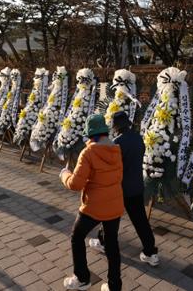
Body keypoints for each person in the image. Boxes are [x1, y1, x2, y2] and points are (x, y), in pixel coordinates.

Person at [60, 114, 124, 291]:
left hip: (94, 206)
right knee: (112, 245)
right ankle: (114, 286)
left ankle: (82, 278)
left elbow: (75, 184)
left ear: (90, 135)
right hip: (115, 204)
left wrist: (64, 174)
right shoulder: (116, 149)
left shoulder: (88, 153)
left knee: (77, 237)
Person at [88, 111, 159, 266]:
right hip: (137, 186)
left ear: (116, 127)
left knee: (110, 219)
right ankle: (150, 252)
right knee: (140, 221)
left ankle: (103, 242)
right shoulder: (139, 138)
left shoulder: (117, 142)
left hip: (120, 189)